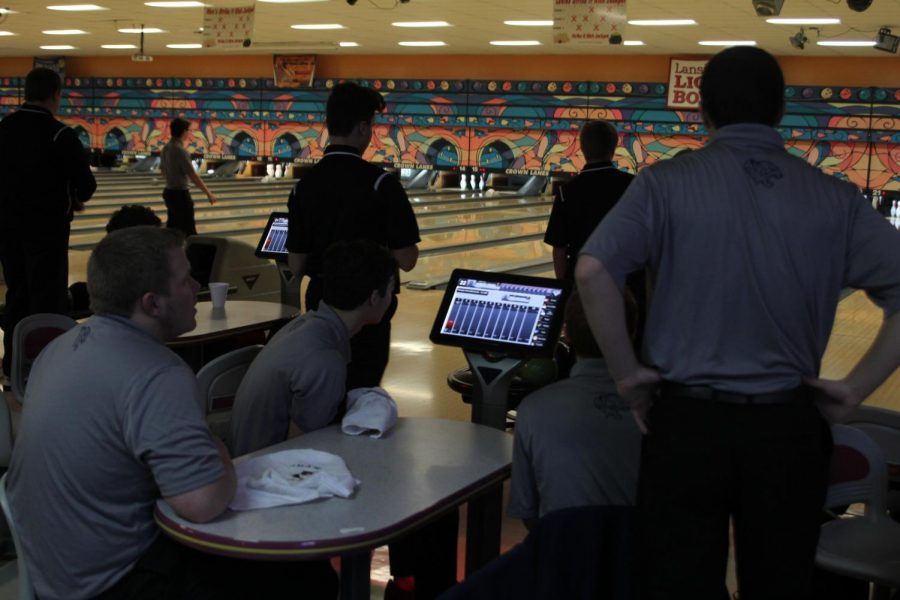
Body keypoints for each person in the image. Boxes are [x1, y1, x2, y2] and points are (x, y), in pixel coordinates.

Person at [576, 46, 900, 599]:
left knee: (676, 584)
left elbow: (592, 269)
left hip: (685, 424)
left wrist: (628, 376)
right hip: (786, 428)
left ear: (703, 110)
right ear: (781, 112)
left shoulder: (663, 183)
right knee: (780, 585)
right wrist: (855, 388)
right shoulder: (837, 197)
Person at [7, 227, 236, 599]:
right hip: (109, 583)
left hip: (47, 573)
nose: (197, 285)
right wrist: (223, 455)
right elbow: (202, 503)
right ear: (152, 304)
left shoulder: (59, 347)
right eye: (184, 280)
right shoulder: (160, 374)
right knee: (299, 578)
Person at [286, 81, 420, 390]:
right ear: (362, 127)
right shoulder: (381, 183)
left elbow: (295, 265)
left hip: (323, 303)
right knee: (361, 388)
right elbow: (408, 260)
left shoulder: (303, 186)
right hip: (369, 309)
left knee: (323, 386)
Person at [230, 239, 397, 457]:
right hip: (260, 470)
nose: (392, 299)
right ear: (374, 298)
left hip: (245, 454)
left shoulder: (306, 325)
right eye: (391, 291)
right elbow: (301, 451)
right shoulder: (325, 360)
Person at [508, 291, 641, 530]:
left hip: (562, 554)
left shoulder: (533, 409)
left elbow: (527, 511)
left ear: (566, 334)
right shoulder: (664, 410)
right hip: (640, 560)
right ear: (632, 332)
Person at [0, 67, 96, 376]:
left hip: (8, 229)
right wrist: (71, 195)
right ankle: (46, 366)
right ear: (56, 95)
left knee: (17, 292)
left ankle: (13, 363)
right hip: (47, 231)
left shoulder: (4, 128)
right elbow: (87, 186)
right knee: (48, 298)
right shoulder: (60, 134)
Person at [544, 119, 634, 281]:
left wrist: (564, 289)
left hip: (580, 282)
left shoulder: (566, 192)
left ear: (582, 148)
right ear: (613, 148)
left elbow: (559, 250)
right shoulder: (634, 186)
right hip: (625, 281)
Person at [160, 117, 218, 236]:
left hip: (169, 192)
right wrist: (208, 193)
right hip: (180, 195)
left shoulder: (166, 148)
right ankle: (190, 253)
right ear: (184, 132)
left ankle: (169, 252)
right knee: (188, 230)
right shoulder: (180, 150)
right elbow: (192, 174)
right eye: (188, 130)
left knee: (173, 228)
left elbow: (162, 169)